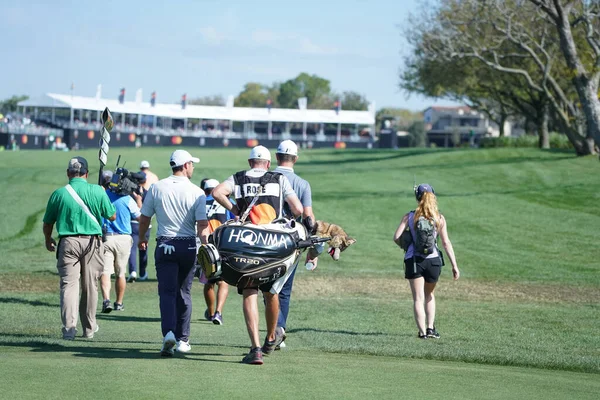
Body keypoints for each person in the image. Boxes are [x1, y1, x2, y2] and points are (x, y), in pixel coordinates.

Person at [212, 145, 303, 365]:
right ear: (268, 164)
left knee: (249, 290)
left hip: (246, 242)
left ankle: (255, 349)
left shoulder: (238, 178)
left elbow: (217, 192)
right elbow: (298, 209)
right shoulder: (279, 178)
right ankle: (271, 337)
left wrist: (235, 210)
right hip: (274, 244)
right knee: (271, 291)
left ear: (250, 162)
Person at [138, 150, 209, 357]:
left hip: (164, 245)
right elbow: (202, 224)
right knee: (184, 293)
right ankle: (183, 339)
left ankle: (168, 333)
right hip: (187, 246)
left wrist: (142, 238)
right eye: (192, 164)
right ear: (185, 165)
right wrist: (205, 245)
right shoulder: (197, 192)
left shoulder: (156, 187)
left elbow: (144, 218)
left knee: (167, 293)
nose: (193, 168)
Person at [42, 156, 116, 340]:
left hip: (68, 242)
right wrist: (102, 193)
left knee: (69, 286)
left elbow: (48, 222)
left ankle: (69, 330)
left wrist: (47, 239)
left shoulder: (59, 193)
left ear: (68, 173)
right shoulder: (97, 191)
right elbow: (112, 216)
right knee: (90, 286)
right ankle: (89, 329)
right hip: (92, 243)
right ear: (86, 173)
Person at [393, 183, 460, 339]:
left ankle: (422, 333)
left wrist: (407, 244)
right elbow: (446, 243)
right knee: (429, 295)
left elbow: (396, 237)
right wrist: (454, 266)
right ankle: (431, 329)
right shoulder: (439, 218)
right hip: (433, 261)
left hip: (414, 260)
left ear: (417, 198)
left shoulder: (409, 217)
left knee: (418, 298)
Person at [272, 140, 322, 349]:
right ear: (296, 159)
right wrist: (315, 249)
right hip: (292, 242)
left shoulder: (268, 177)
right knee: (284, 289)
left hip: (265, 239)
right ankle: (279, 327)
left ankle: (274, 328)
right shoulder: (302, 184)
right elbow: (308, 218)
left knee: (268, 287)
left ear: (276, 157)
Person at [99, 170, 142, 313]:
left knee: (105, 272)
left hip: (106, 238)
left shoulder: (103, 196)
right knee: (121, 273)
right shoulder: (128, 199)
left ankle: (106, 300)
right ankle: (119, 302)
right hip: (123, 239)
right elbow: (140, 218)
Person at [198, 178, 234, 325]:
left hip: (205, 246)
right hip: (222, 245)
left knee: (209, 282)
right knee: (224, 282)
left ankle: (211, 312)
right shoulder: (226, 203)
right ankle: (218, 312)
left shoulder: (199, 203)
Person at [128, 171, 149, 282]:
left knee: (132, 249)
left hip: (132, 224)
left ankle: (132, 271)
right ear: (144, 181)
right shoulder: (147, 193)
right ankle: (142, 273)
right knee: (144, 248)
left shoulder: (129, 193)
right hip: (146, 225)